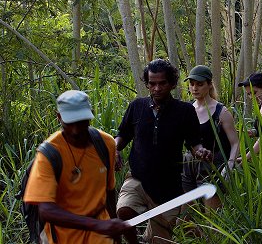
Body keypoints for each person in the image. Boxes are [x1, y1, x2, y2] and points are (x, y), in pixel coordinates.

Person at [115, 59, 212, 244]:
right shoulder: (137, 107)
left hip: (168, 188)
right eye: (152, 84)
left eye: (162, 83)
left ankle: (152, 236)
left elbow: (194, 143)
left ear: (172, 83)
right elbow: (122, 134)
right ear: (147, 84)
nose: (157, 88)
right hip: (138, 179)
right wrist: (114, 148)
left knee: (163, 240)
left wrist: (200, 152)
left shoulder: (184, 111)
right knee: (124, 211)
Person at [23, 90, 130, 243]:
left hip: (99, 234)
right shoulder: (49, 153)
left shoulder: (105, 144)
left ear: (90, 115)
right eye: (69, 123)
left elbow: (109, 191)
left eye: (81, 122)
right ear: (59, 117)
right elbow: (46, 210)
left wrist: (114, 231)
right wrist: (96, 225)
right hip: (63, 235)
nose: (75, 130)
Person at [182, 65, 239, 209]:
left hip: (213, 165)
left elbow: (235, 142)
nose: (195, 88)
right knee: (187, 214)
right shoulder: (187, 109)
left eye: (200, 84)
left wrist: (230, 164)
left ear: (209, 84)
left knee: (212, 214)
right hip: (189, 164)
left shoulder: (221, 111)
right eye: (192, 84)